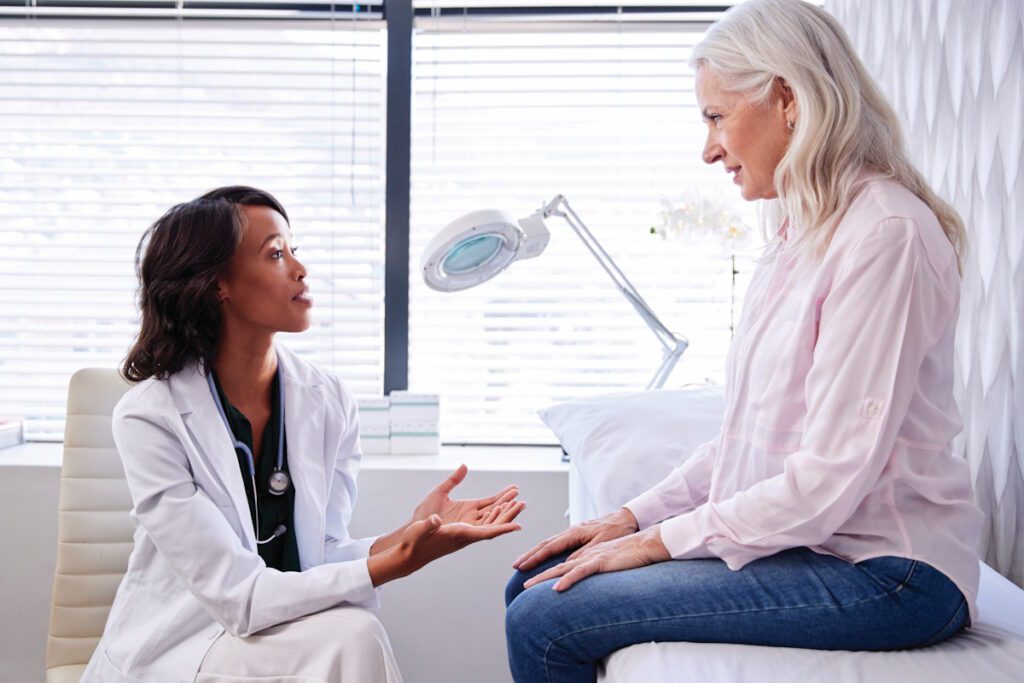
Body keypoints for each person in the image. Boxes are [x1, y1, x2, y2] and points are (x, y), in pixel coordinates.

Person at [504, 0, 983, 680]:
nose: (708, 149)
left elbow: (825, 479)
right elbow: (745, 440)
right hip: (822, 548)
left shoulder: (884, 235)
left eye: (716, 116)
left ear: (787, 97)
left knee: (544, 617)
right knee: (539, 580)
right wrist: (630, 517)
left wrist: (657, 545)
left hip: (891, 572)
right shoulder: (798, 236)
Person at [82, 185, 525, 683]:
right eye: (275, 254)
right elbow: (240, 599)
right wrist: (394, 563)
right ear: (216, 285)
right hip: (186, 646)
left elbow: (321, 557)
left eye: (295, 250)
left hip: (280, 635)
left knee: (352, 632)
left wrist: (413, 537)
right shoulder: (150, 418)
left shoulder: (328, 399)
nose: (300, 268)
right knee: (353, 635)